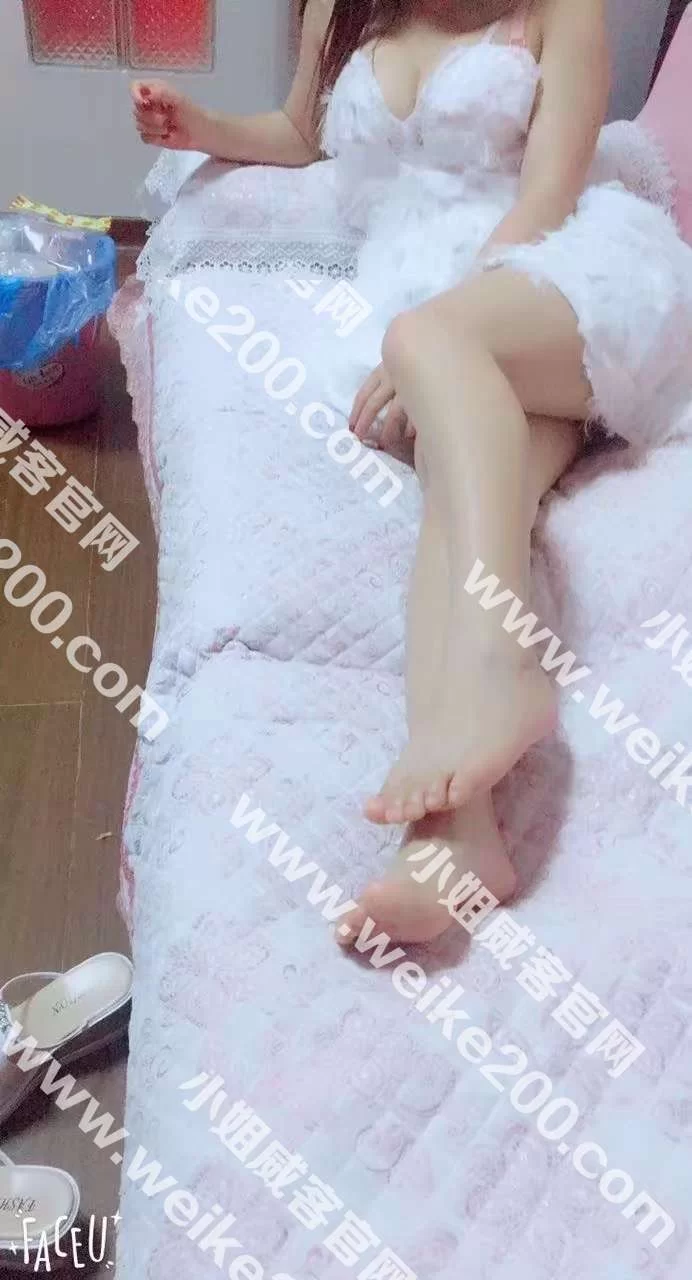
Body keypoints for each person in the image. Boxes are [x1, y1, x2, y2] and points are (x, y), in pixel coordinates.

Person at [130, 0, 692, 945]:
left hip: (563, 277)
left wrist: (434, 334)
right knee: (464, 494)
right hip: (434, 313)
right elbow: (301, 134)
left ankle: (505, 674)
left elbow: (548, 199)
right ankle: (456, 841)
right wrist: (204, 127)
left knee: (432, 358)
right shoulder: (343, 8)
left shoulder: (562, 12)